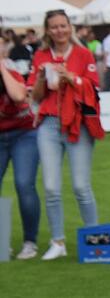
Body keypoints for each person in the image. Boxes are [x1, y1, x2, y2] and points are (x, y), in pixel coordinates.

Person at [28, 9, 103, 260]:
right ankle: (57, 241)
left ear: (70, 27)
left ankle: (93, 239)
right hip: (48, 124)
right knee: (51, 187)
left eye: (63, 25)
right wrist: (41, 78)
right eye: (54, 27)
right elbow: (35, 97)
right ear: (47, 30)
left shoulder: (83, 54)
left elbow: (94, 87)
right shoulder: (40, 56)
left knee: (81, 186)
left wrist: (71, 77)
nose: (59, 30)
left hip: (78, 123)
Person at [0, 36, 40, 260]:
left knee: (24, 184)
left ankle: (29, 242)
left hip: (24, 133)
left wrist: (1, 66)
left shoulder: (12, 68)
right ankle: (1, 243)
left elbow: (17, 95)